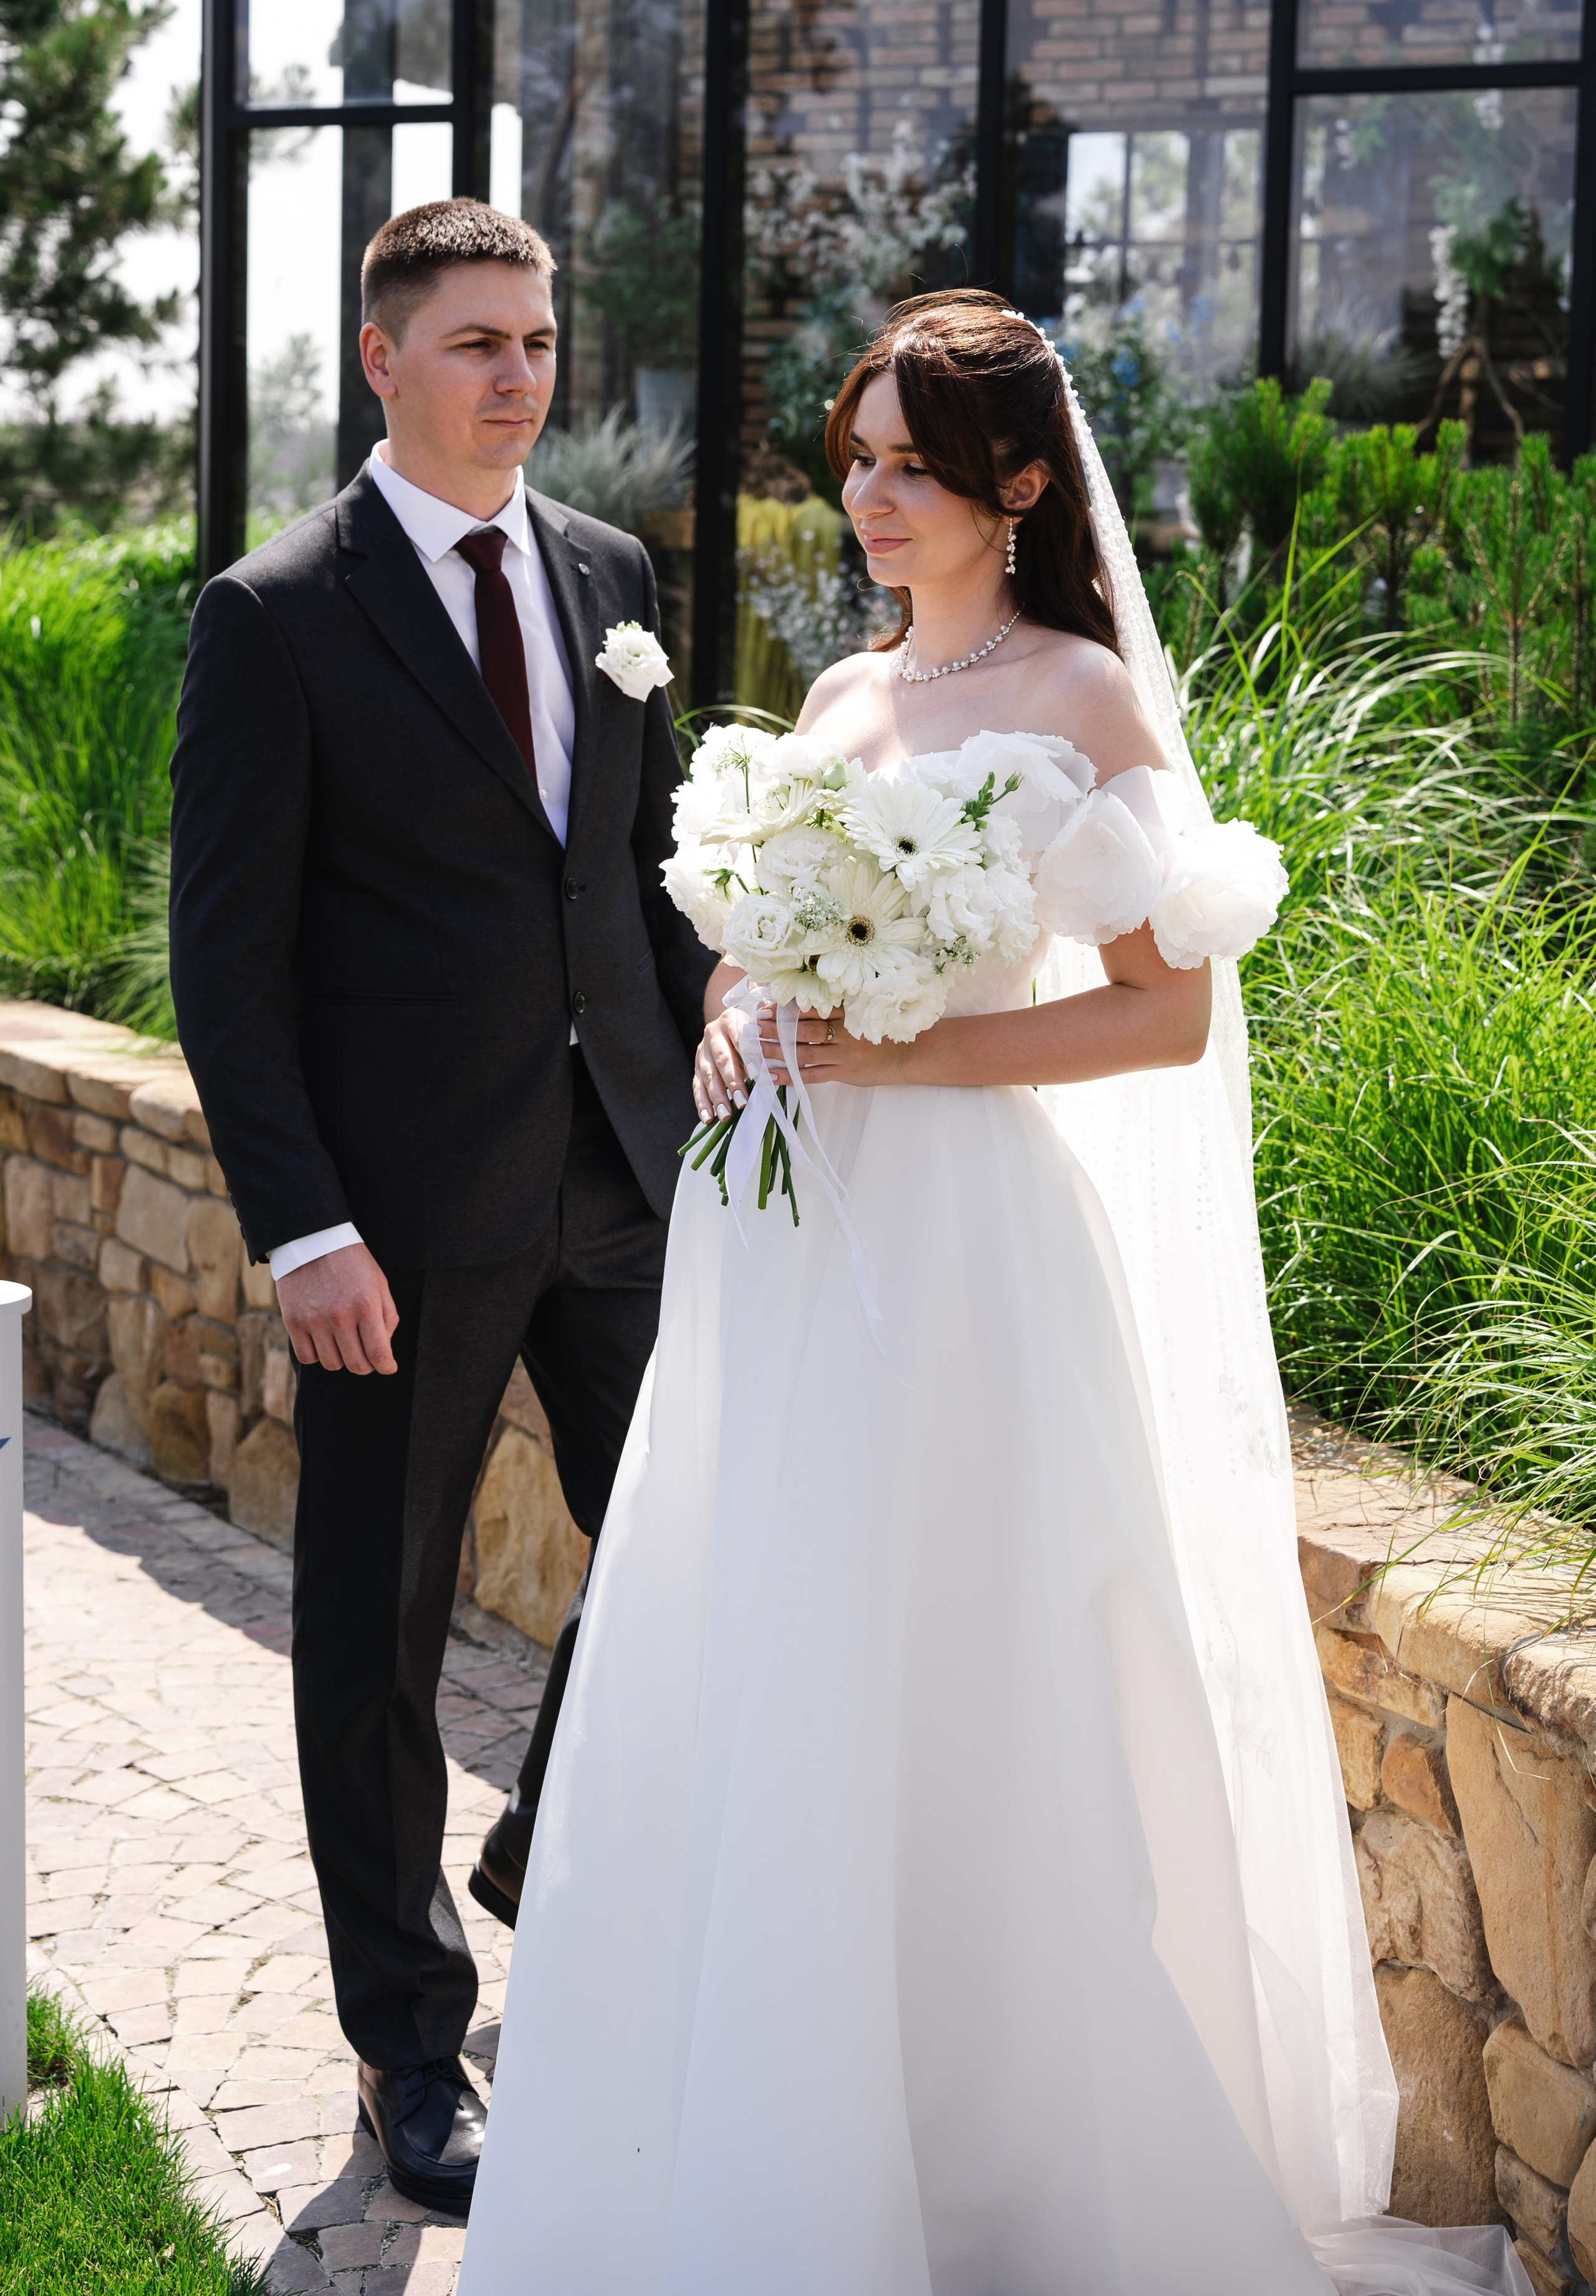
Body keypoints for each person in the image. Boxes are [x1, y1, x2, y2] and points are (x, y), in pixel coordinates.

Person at [456, 294, 1531, 2295]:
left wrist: (910, 1057)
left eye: (909, 469)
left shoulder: (1088, 702)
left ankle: (1011, 2174)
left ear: (1018, 487)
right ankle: (781, 2136)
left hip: (975, 1254)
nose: (867, 499)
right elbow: (757, 948)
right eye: (855, 459)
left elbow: (1163, 1015)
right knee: (788, 1662)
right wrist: (736, 1014)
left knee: (984, 1678)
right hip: (792, 1247)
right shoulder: (847, 701)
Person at [168, 198, 718, 2216]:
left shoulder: (607, 574)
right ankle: (413, 2048)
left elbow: (648, 874)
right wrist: (305, 1227)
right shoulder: (280, 612)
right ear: (385, 361)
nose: (521, 375)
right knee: (376, 1640)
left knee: (696, 1538)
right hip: (396, 1224)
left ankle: (532, 1844)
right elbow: (225, 961)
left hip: (629, 1179)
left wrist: (729, 1060)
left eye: (541, 340)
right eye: (478, 341)